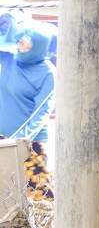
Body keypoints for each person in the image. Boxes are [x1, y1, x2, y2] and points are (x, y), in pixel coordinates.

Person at [0, 16, 57, 202]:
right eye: (19, 42)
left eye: (28, 46)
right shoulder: (10, 58)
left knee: (38, 195)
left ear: (40, 48)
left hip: (30, 143)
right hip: (2, 137)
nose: (21, 48)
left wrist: (20, 139)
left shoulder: (47, 73)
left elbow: (42, 112)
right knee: (5, 191)